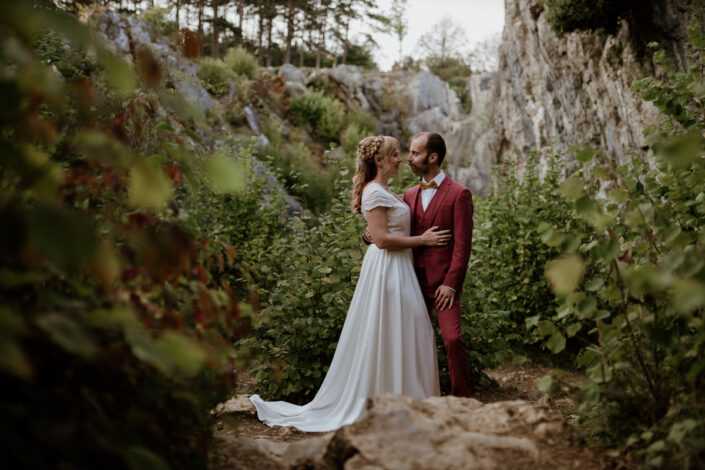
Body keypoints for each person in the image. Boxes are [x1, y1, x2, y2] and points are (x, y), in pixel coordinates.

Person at [249, 135, 447, 432]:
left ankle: (412, 402)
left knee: (413, 330)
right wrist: (423, 240)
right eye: (394, 155)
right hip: (386, 270)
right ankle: (388, 401)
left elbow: (377, 231)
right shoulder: (373, 192)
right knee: (395, 330)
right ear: (379, 161)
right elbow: (380, 239)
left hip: (401, 268)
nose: (400, 159)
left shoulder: (391, 192)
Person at [365, 132, 474, 397]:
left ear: (432, 157)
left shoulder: (459, 194)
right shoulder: (409, 194)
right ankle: (415, 394)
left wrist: (451, 284)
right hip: (410, 280)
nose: (408, 159)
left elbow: (462, 246)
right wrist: (369, 235)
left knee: (453, 338)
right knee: (411, 340)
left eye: (415, 153)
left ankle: (463, 398)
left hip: (443, 285)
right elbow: (395, 229)